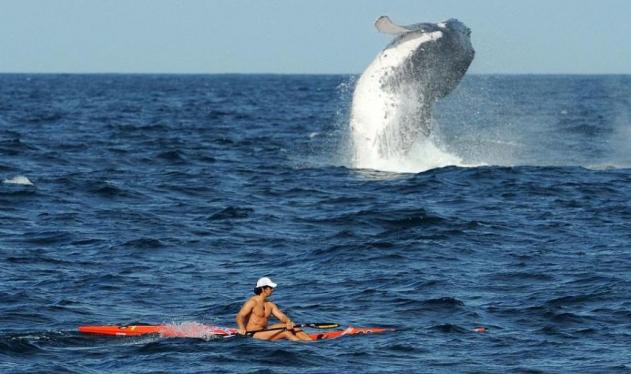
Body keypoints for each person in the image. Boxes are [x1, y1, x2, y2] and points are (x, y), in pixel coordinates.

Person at [236, 277, 312, 341]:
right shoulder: (252, 302)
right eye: (270, 288)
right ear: (263, 289)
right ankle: (303, 347)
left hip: (265, 330)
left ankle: (309, 341)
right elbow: (240, 316)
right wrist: (242, 329)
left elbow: (281, 316)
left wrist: (289, 322)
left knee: (292, 326)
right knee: (286, 333)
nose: (272, 290)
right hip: (253, 333)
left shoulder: (270, 304)